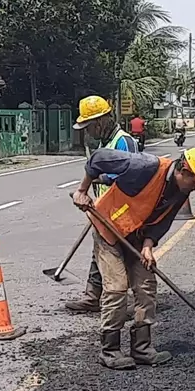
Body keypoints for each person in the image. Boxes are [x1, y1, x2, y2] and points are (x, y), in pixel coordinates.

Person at [70, 146, 195, 370]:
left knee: (146, 285)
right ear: (184, 171)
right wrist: (82, 190)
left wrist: (149, 245)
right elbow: (98, 158)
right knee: (116, 288)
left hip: (138, 237)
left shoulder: (181, 191)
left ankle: (142, 348)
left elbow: (163, 221)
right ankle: (109, 350)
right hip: (109, 229)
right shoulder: (145, 166)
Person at [65, 96, 139, 313]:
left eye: (89, 127)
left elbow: (134, 175)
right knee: (100, 250)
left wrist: (101, 179)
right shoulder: (104, 144)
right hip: (105, 210)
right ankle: (92, 296)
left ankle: (133, 303)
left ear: (101, 121)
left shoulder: (124, 141)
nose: (87, 132)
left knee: (124, 255)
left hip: (124, 211)